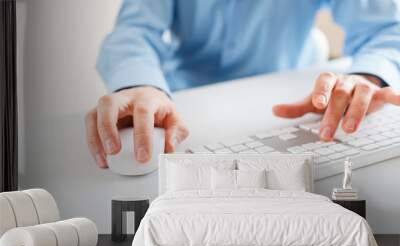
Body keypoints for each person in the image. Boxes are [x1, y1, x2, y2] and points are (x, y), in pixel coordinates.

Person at [85, 0, 400, 168]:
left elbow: (387, 30)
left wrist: (369, 77)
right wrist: (140, 84)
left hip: (291, 100)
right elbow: (132, 33)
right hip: (187, 99)